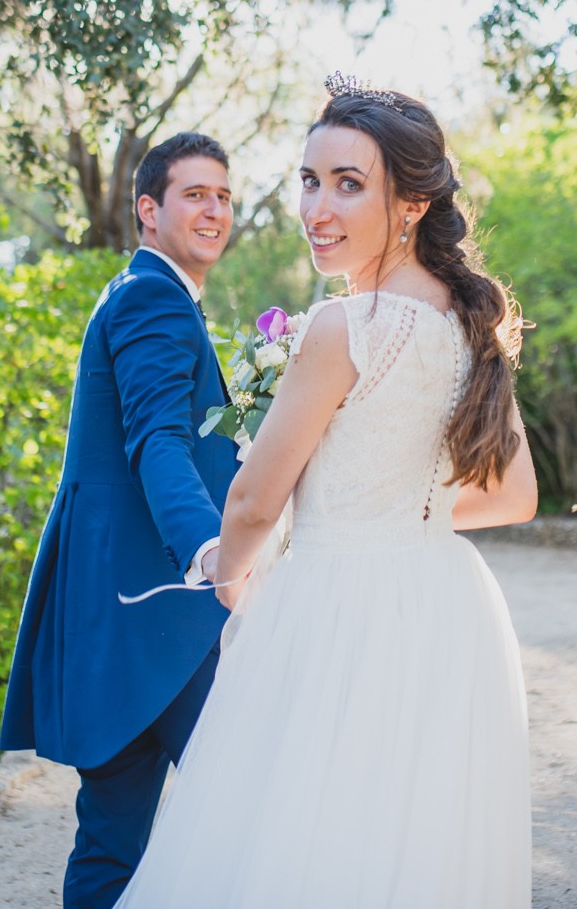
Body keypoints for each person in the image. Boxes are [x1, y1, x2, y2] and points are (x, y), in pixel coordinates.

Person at [116, 78, 538, 908]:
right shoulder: (471, 322)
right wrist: (399, 513)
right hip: (447, 607)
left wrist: (232, 577)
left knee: (293, 833)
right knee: (404, 841)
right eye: (310, 180)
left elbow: (251, 502)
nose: (318, 207)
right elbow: (514, 494)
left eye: (349, 184)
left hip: (337, 605)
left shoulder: (345, 328)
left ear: (411, 203)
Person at [0, 132, 242, 909]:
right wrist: (210, 546)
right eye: (194, 194)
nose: (213, 209)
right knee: (247, 802)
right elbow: (158, 440)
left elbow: (181, 443)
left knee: (111, 838)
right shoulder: (153, 298)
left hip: (117, 615)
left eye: (224, 195)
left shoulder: (142, 291)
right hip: (156, 614)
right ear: (148, 209)